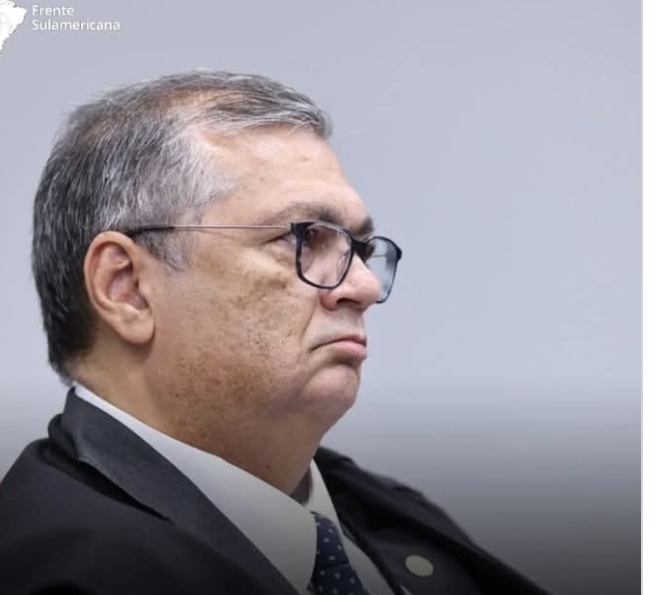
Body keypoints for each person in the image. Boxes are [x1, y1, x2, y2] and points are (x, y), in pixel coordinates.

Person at [0, 71, 549, 595]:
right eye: (305, 238)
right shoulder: (53, 570)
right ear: (127, 288)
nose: (361, 286)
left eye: (359, 248)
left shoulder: (399, 521)